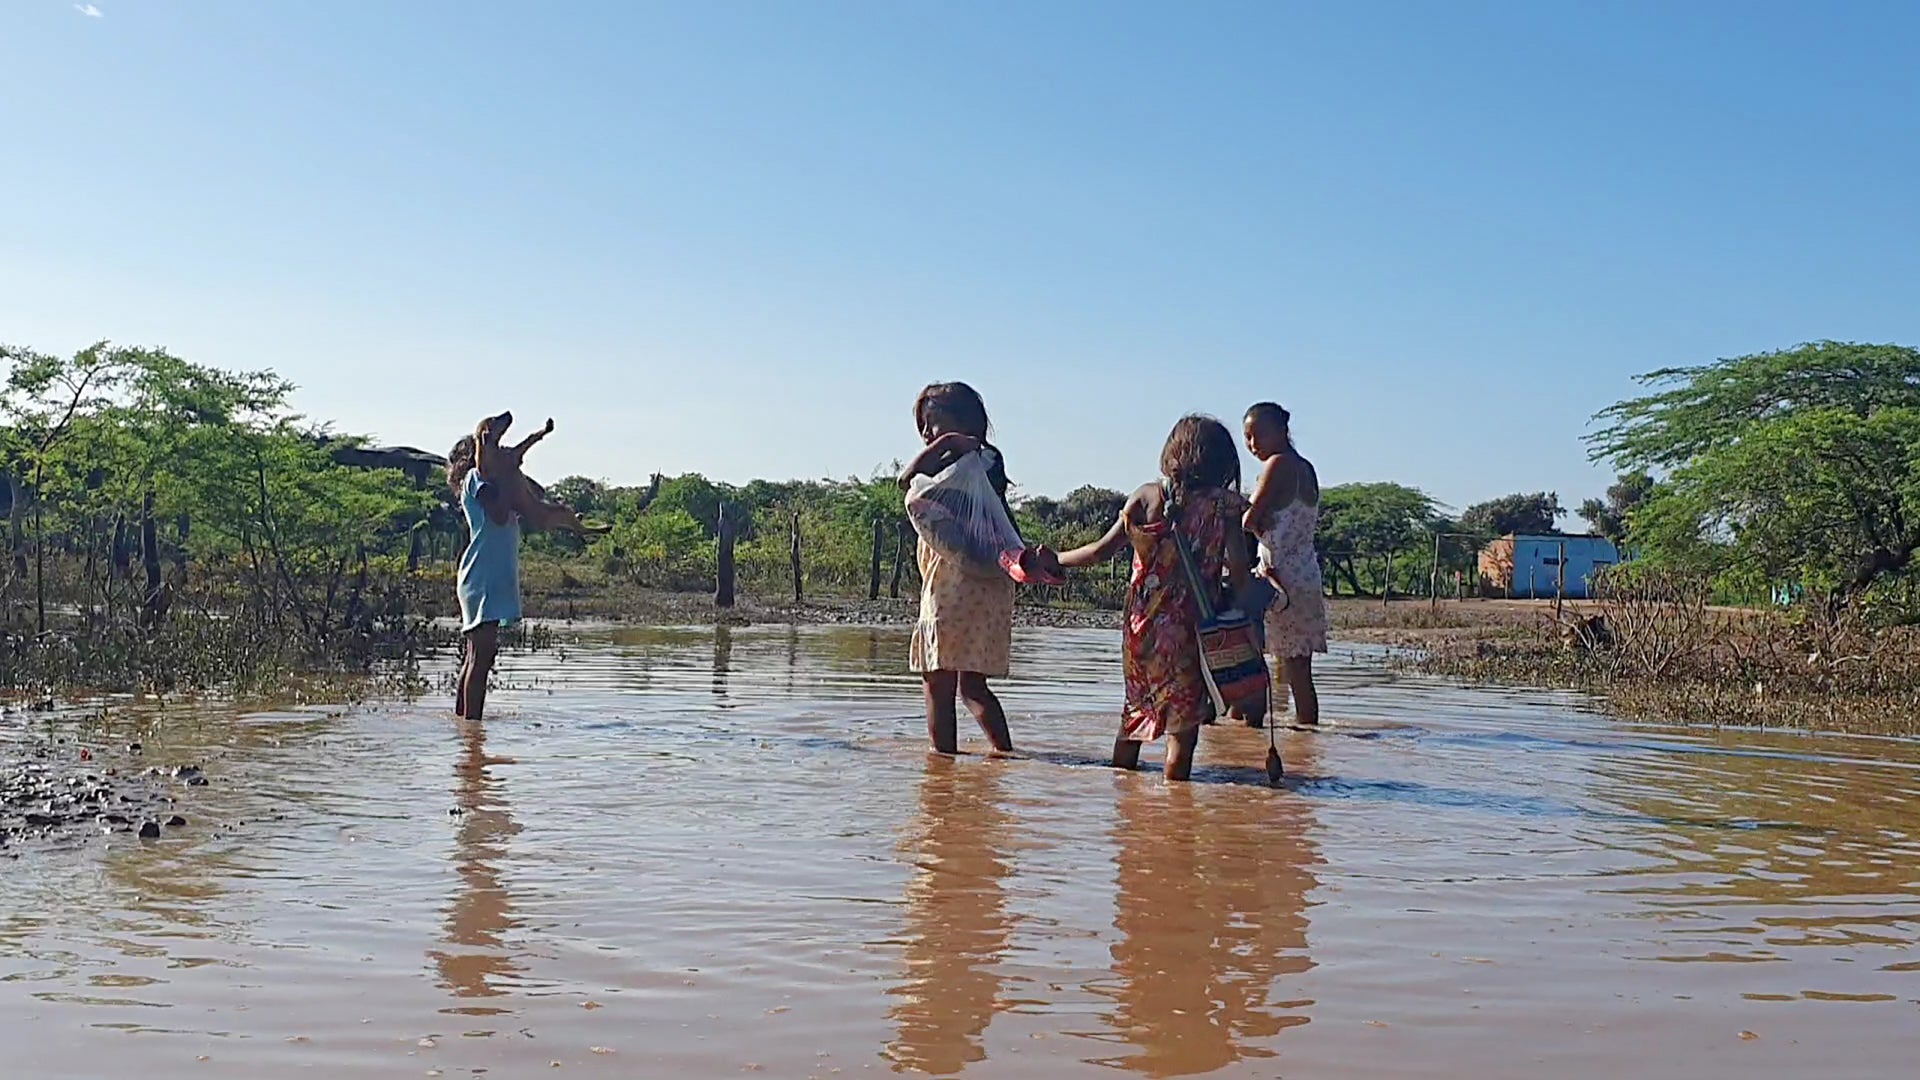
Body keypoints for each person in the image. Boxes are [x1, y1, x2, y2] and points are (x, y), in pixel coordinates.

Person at [1058, 415, 1251, 780]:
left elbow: (1100, 551)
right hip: (1191, 629)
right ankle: (1177, 804)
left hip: (1140, 628)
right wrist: (1246, 617)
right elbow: (1239, 570)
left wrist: (1053, 561)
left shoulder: (1146, 496)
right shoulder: (1226, 505)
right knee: (1183, 725)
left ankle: (1123, 791)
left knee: (1135, 710)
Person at [898, 382, 1032, 755]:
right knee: (972, 686)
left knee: (937, 681)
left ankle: (942, 769)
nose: (927, 434)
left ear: (965, 423)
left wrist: (945, 445)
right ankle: (1005, 755)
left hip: (957, 585)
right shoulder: (987, 461)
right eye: (923, 426)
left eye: (934, 423)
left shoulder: (970, 462)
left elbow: (906, 479)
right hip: (988, 584)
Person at [1242, 402, 1328, 726]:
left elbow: (1248, 520)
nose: (1253, 445)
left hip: (1278, 579)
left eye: (1258, 435)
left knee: (1253, 665)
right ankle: (1307, 741)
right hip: (1305, 574)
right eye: (1247, 438)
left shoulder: (1277, 464)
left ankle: (1251, 737)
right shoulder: (1306, 467)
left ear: (1281, 431)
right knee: (1299, 673)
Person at [448, 433, 523, 722]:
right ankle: (472, 738)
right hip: (483, 577)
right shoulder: (476, 479)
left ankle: (465, 729)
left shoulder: (482, 482)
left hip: (485, 576)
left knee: (476, 657)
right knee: (480, 659)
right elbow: (500, 514)